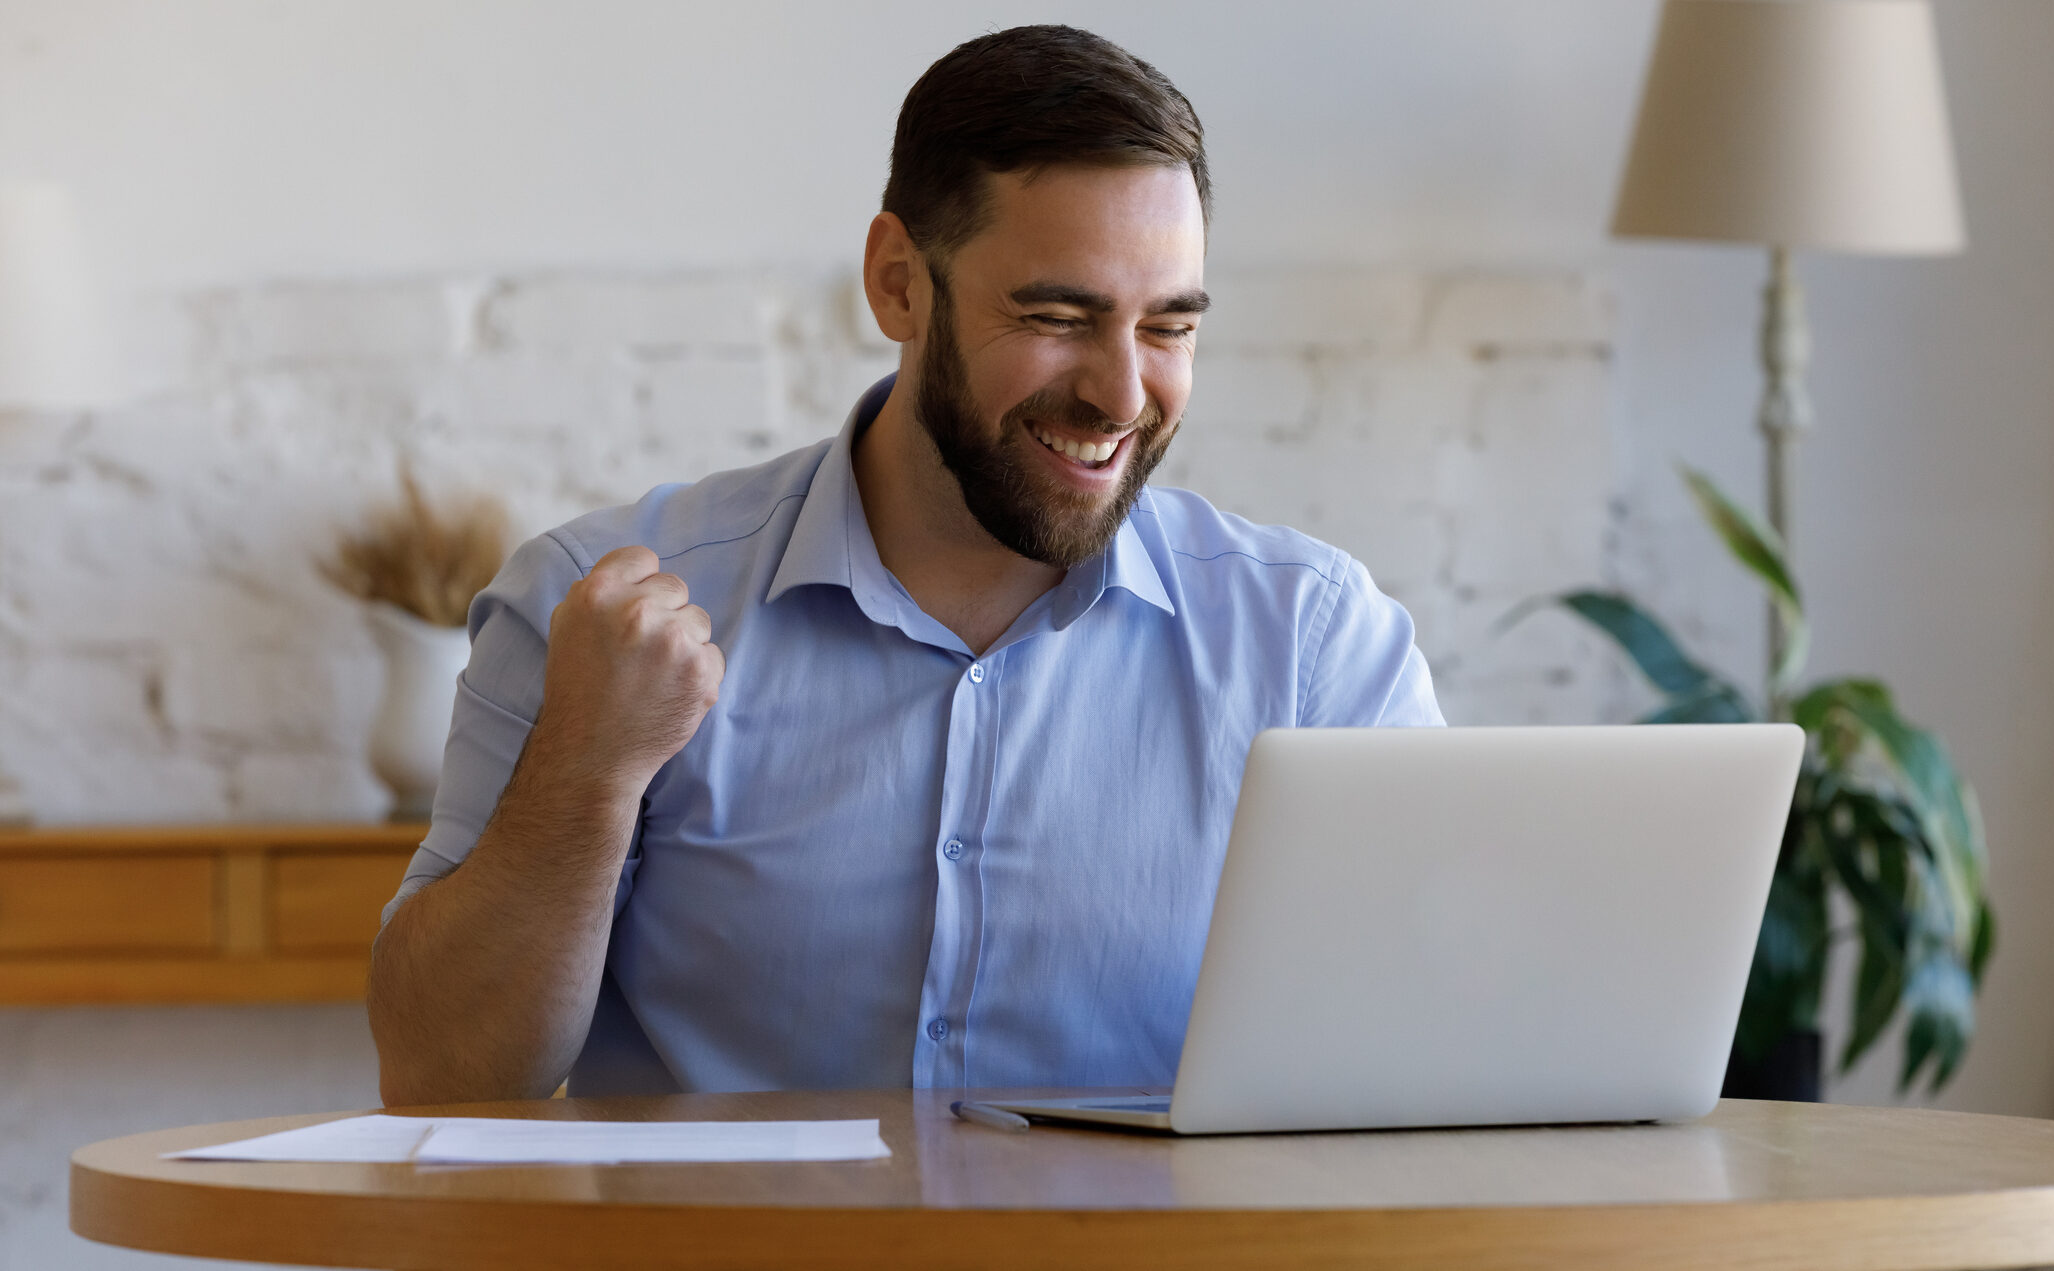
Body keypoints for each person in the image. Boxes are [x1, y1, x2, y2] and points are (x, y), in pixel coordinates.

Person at [368, 24, 1443, 1106]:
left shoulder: (1315, 650)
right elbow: (441, 1074)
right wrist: (586, 770)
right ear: (897, 285)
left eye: (1168, 327)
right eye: (1057, 316)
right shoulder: (591, 605)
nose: (1123, 396)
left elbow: (1436, 1072)